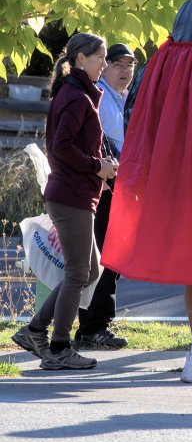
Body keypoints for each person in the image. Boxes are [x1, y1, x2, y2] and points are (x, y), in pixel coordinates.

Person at [12, 33, 118, 370]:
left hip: (75, 193)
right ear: (81, 60)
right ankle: (58, 348)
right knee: (78, 272)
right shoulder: (77, 97)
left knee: (91, 271)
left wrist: (100, 166)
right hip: (71, 195)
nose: (105, 63)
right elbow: (62, 147)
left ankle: (34, 330)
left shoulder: (75, 93)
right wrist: (96, 166)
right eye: (100, 57)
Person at [74, 43, 136, 349]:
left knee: (109, 260)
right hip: (105, 188)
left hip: (119, 187)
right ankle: (93, 328)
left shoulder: (122, 98)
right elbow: (91, 140)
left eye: (130, 66)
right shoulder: (99, 96)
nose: (125, 71)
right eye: (118, 64)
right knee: (104, 261)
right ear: (105, 67)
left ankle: (90, 327)